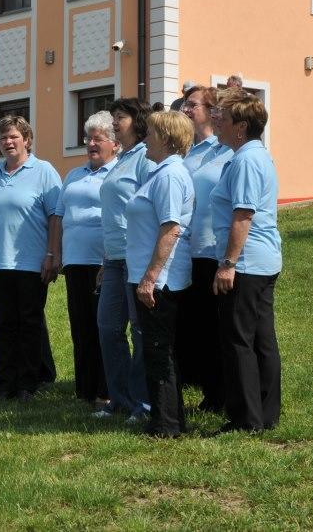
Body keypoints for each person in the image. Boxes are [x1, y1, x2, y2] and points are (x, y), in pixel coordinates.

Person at [210, 90, 282, 433]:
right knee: (260, 339)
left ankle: (245, 419)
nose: (215, 121)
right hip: (260, 260)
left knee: (240, 340)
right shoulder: (252, 156)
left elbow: (243, 214)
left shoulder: (245, 160)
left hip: (247, 262)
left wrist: (228, 264)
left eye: (221, 117)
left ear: (240, 127)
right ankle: (264, 414)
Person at [0, 115, 62, 400]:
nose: (7, 142)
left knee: (29, 322)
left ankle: (27, 383)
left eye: (13, 136)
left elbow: (55, 217)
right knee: (4, 324)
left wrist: (51, 254)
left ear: (26, 139)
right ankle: (4, 382)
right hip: (0, 263)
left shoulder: (44, 171)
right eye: (3, 138)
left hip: (31, 261)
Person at [127, 111, 195, 437]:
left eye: (150, 134)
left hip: (160, 281)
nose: (144, 140)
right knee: (158, 349)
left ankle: (166, 425)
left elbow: (170, 228)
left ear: (166, 139)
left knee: (159, 350)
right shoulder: (160, 173)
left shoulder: (169, 176)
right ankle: (168, 419)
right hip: (152, 276)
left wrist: (151, 277)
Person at [95, 97, 156, 422]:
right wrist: (106, 259)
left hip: (137, 258)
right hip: (115, 260)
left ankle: (142, 403)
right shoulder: (121, 158)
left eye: (120, 117)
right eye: (113, 117)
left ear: (137, 120)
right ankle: (118, 399)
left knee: (139, 331)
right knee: (107, 327)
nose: (114, 122)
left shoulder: (146, 157)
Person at [51, 111, 118, 406]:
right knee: (80, 325)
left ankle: (106, 389)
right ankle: (85, 389)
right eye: (88, 138)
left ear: (114, 144)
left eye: (98, 139)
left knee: (103, 325)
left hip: (103, 261)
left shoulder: (117, 174)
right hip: (75, 261)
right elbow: (59, 215)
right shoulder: (73, 175)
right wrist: (55, 253)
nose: (91, 143)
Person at [179, 86, 234, 411]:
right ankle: (208, 390)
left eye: (192, 105)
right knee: (197, 327)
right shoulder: (189, 153)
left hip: (215, 251)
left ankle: (222, 394)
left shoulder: (226, 151)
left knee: (217, 328)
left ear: (212, 111)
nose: (186, 109)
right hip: (189, 252)